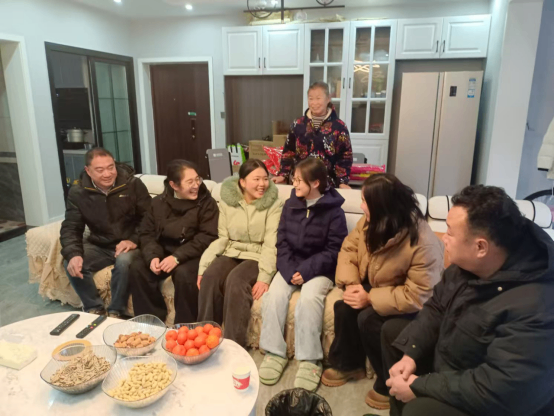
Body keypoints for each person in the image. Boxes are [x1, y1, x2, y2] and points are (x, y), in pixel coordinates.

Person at [384, 185, 554, 416]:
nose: (444, 238)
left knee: (420, 410)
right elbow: (436, 307)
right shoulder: (468, 265)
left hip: (500, 401)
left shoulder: (538, 306)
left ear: (480, 247)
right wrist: (410, 355)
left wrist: (420, 386)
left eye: (450, 232)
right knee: (395, 335)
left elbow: (503, 389)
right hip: (459, 363)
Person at [321, 173, 444, 410]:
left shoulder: (422, 241)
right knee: (344, 306)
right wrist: (352, 284)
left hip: (414, 302)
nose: (361, 206)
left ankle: (388, 383)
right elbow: (348, 249)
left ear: (382, 205)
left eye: (365, 201)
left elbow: (419, 294)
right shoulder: (370, 221)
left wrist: (369, 298)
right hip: (380, 286)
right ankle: (349, 365)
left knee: (369, 320)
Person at [259, 158, 348, 391]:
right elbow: (282, 242)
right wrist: (290, 271)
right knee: (274, 295)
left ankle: (310, 360)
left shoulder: (334, 212)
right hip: (291, 265)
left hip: (320, 268)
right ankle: (274, 352)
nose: (294, 184)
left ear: (315, 183)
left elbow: (334, 250)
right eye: (294, 179)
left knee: (309, 299)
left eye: (299, 180)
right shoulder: (290, 205)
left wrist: (306, 271)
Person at [197, 159, 283, 347]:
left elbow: (271, 243)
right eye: (256, 179)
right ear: (242, 182)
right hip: (232, 250)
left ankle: (233, 346)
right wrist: (204, 267)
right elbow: (222, 238)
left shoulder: (274, 204)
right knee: (210, 277)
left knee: (236, 281)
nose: (262, 184)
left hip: (258, 255)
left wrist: (265, 276)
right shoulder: (228, 202)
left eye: (265, 179)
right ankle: (205, 339)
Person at [60, 147, 151, 318]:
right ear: (88, 171)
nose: (107, 174)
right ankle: (94, 308)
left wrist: (133, 240)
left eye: (111, 167)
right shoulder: (78, 192)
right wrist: (73, 254)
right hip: (100, 244)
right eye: (100, 170)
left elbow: (149, 218)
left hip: (130, 243)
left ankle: (116, 311)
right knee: (71, 261)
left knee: (124, 262)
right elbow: (71, 227)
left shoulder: (132, 184)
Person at [129, 160, 218, 324]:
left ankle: (185, 326)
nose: (196, 185)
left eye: (197, 179)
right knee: (138, 266)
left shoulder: (207, 203)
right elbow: (147, 233)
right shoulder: (158, 202)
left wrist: (177, 257)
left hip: (193, 254)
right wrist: (152, 257)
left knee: (183, 274)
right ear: (174, 185)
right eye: (190, 182)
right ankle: (151, 322)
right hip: (164, 250)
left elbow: (208, 237)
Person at [273, 81, 353, 189]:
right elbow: (288, 152)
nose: (314, 102)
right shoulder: (298, 124)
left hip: (327, 185)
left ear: (328, 99)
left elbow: (345, 157)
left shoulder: (339, 126)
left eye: (318, 98)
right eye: (311, 99)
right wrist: (283, 175)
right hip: (300, 183)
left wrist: (342, 181)